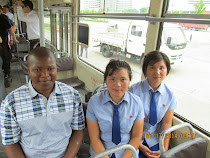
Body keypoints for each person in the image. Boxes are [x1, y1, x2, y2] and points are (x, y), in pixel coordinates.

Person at [0, 47, 85, 157]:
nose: (45, 75)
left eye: (50, 69)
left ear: (56, 69)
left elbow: (78, 131)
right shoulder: (11, 103)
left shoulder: (73, 96)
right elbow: (10, 142)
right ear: (28, 70)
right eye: (37, 70)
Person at [86, 59, 144, 158]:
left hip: (128, 153)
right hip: (101, 154)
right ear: (106, 80)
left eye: (123, 79)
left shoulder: (137, 103)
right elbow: (94, 138)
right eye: (112, 79)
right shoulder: (94, 102)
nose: (117, 84)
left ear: (129, 81)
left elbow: (136, 137)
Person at [129, 51, 177, 158]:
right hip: (133, 138)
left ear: (167, 70)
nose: (157, 72)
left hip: (154, 140)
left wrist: (164, 150)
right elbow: (127, 123)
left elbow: (167, 124)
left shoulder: (170, 96)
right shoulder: (134, 91)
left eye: (161, 68)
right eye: (152, 67)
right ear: (145, 69)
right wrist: (139, 145)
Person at [0, 6, 18, 88]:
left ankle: (6, 75)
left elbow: (11, 29)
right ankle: (6, 74)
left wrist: (13, 39)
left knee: (5, 58)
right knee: (5, 58)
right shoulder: (4, 17)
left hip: (3, 42)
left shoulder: (3, 18)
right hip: (2, 42)